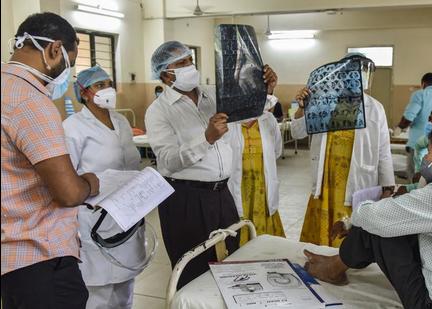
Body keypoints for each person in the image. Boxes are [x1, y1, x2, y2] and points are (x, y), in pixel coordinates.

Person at [305, 116, 432, 309]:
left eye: (430, 152)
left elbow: (374, 217)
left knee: (380, 225)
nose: (425, 158)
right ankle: (337, 264)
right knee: (395, 219)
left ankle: (334, 268)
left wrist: (353, 220)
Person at [145, 41, 278, 288]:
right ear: (165, 73)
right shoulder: (159, 111)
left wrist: (265, 91)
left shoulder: (211, 95)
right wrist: (206, 138)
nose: (190, 67)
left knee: (231, 259)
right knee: (194, 270)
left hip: (222, 195)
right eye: (182, 63)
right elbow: (169, 161)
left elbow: (247, 114)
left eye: (190, 61)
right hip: (186, 198)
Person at [1, 12, 100, 309]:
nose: (64, 74)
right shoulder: (31, 99)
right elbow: (68, 193)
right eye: (68, 63)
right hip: (41, 258)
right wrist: (90, 184)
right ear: (54, 50)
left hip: (11, 259)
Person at [291, 53, 395, 247]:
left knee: (350, 235)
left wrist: (387, 186)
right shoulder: (323, 102)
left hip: (357, 180)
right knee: (320, 240)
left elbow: (383, 151)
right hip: (326, 182)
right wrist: (301, 108)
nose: (358, 76)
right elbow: (297, 132)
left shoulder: (375, 108)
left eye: (363, 71)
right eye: (352, 71)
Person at [63, 66, 144, 309]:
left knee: (124, 287)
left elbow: (132, 164)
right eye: (99, 85)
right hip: (94, 217)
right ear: (85, 93)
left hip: (126, 213)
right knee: (99, 292)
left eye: (108, 83)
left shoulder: (120, 121)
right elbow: (68, 177)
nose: (107, 89)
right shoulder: (73, 127)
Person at [227, 103, 286, 245]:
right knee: (237, 225)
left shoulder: (268, 118)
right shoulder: (227, 121)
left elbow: (276, 150)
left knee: (266, 243)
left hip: (262, 188)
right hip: (238, 187)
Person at [393, 73, 432, 150]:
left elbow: (409, 116)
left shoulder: (419, 94)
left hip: (418, 144)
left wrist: (399, 128)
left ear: (423, 83)